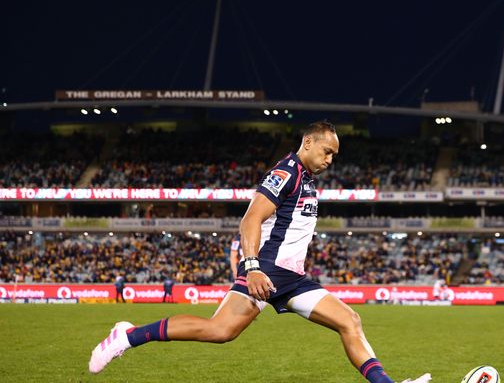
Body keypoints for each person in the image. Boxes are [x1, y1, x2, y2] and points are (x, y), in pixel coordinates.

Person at [89, 121, 431, 383]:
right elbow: (251, 219)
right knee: (219, 331)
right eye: (327, 151)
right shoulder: (286, 173)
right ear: (307, 142)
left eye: (334, 156)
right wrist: (252, 267)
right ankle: (129, 336)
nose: (330, 159)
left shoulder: (307, 179)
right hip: (265, 270)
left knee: (349, 320)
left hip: (294, 279)